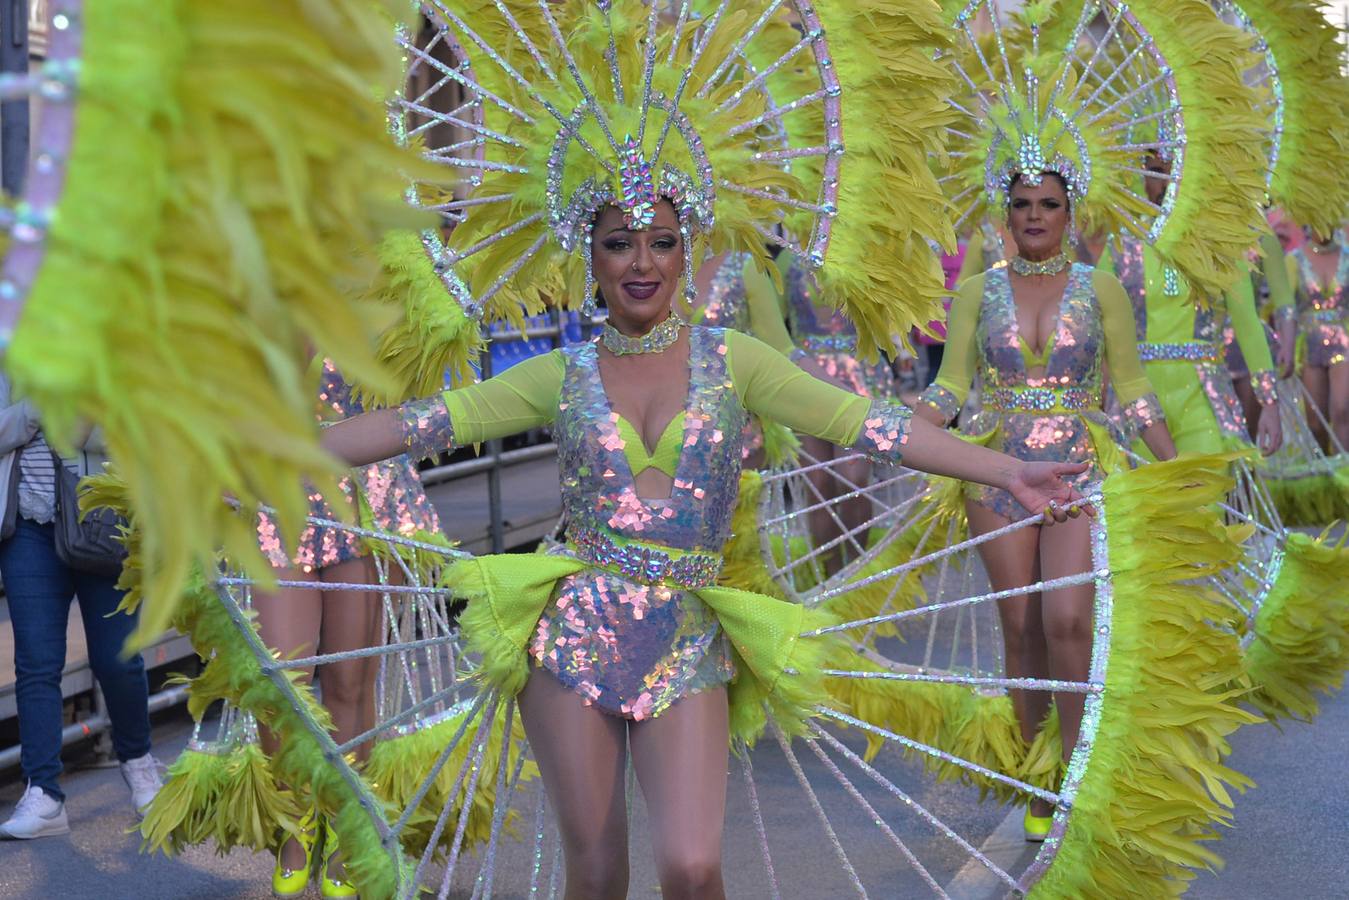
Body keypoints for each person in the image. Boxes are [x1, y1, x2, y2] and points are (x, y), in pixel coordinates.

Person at [320, 197, 1088, 898]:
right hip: (571, 636)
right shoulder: (561, 373)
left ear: (687, 253)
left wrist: (1008, 469)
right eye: (619, 244)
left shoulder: (734, 362)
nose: (641, 263)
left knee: (692, 866)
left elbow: (869, 426)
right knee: (594, 869)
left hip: (687, 635)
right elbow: (413, 426)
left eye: (661, 243)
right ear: (589, 257)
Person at [917, 170, 1178, 839]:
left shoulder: (1102, 289)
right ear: (1005, 213)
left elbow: (1132, 384)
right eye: (1021, 205)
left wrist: (1175, 467)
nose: (1034, 216)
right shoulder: (975, 291)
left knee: (1067, 621)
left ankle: (1076, 771)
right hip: (998, 477)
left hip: (1076, 473)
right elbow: (950, 384)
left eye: (1048, 205)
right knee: (1021, 628)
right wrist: (907, 426)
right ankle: (1039, 781)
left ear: (1069, 212)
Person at [253, 358, 442, 899]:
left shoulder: (379, 287)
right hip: (275, 493)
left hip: (363, 497)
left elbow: (417, 380)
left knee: (349, 683)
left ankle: (346, 826)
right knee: (276, 681)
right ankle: (295, 822)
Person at [0, 373, 162, 839]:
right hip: (27, 525)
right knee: (35, 662)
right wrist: (35, 412)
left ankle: (137, 760)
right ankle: (44, 793)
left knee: (116, 657)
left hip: (101, 513)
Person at [1098, 151, 1283, 459]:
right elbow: (1095, 323)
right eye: (1156, 171)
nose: (1167, 182)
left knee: (1205, 498)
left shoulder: (1220, 244)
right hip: (1137, 400)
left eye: (1178, 170)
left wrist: (1270, 402)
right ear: (1141, 176)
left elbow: (1247, 323)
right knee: (1146, 503)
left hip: (1204, 396)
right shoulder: (1121, 245)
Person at [1289, 228, 1349, 452]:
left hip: (1344, 341)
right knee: (1316, 421)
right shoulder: (1294, 261)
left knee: (1343, 410)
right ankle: (1326, 472)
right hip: (1309, 346)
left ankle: (1345, 476)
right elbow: (1285, 310)